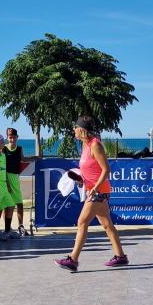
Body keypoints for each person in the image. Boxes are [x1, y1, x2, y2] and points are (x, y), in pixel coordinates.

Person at [55, 116, 128, 272]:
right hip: (94, 189)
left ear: (82, 129)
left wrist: (95, 187)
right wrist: (82, 181)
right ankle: (120, 256)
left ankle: (73, 260)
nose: (73, 130)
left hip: (99, 190)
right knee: (107, 225)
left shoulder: (95, 145)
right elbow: (90, 170)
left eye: (75, 127)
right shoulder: (85, 145)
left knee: (82, 222)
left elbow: (106, 169)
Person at [4, 127, 27, 236]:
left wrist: (36, 158)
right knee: (7, 204)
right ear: (7, 138)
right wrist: (5, 181)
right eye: (10, 137)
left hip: (15, 177)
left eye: (14, 137)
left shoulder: (19, 148)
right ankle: (6, 228)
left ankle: (21, 225)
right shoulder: (3, 149)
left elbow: (23, 159)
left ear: (17, 137)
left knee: (19, 203)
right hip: (5, 177)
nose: (12, 139)